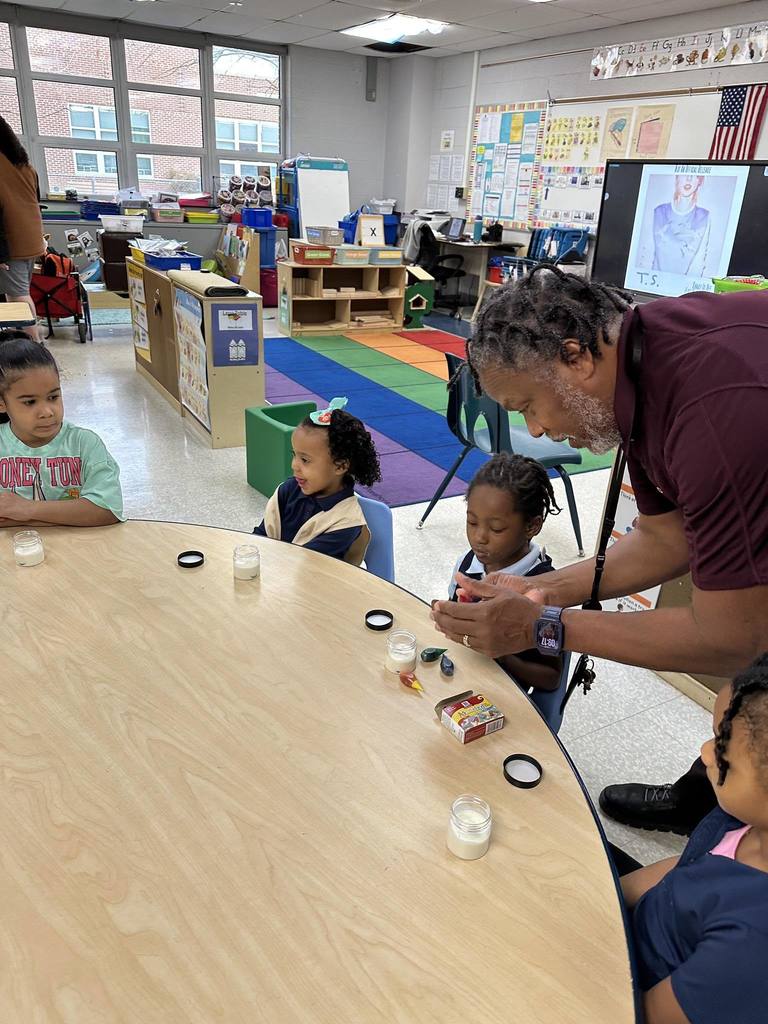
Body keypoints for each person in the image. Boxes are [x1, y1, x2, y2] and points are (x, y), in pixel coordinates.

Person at [431, 264, 768, 836]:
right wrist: (541, 589)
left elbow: (733, 637)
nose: (535, 431)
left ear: (575, 358)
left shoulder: (713, 412)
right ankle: (702, 800)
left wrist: (545, 626)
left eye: (529, 406)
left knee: (752, 695)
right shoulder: (636, 363)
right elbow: (666, 537)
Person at [621, 654, 768, 1024]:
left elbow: (643, 1015)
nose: (704, 752)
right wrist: (603, 894)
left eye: (721, 745)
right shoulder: (742, 818)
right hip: (638, 929)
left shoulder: (753, 944)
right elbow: (689, 865)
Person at [449, 453, 562, 694]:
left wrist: (502, 653)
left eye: (496, 528)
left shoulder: (546, 591)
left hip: (507, 699)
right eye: (472, 522)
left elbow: (551, 677)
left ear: (532, 526)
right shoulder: (467, 563)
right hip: (461, 681)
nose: (479, 537)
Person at [0, 331, 123, 527]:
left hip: (83, 548)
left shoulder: (84, 444)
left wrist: (26, 510)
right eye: (30, 402)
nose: (47, 412)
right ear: (2, 403)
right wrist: (70, 515)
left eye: (53, 397)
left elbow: (106, 510)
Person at [254, 397, 381, 565]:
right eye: (294, 455)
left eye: (305, 460)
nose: (294, 465)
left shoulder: (345, 522)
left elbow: (302, 568)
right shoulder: (288, 490)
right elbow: (259, 540)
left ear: (340, 466)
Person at [0, 117, 45, 341]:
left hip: (12, 244)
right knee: (16, 295)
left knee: (18, 297)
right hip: (31, 239)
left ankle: (34, 351)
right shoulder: (24, 164)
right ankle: (19, 343)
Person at [651, 173, 710, 276]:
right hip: (651, 286)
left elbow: (699, 263)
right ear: (677, 178)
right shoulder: (659, 212)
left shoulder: (704, 217)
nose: (689, 179)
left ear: (699, 181)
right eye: (685, 174)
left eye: (695, 175)